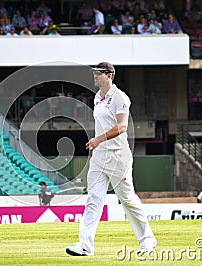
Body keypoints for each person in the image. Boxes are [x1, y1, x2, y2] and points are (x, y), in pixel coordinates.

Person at [66, 62, 156, 256]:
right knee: (93, 199)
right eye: (93, 73)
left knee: (127, 200)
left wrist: (98, 139)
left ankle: (147, 240)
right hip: (99, 156)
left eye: (98, 74)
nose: (94, 76)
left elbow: (122, 127)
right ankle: (85, 245)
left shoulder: (120, 97)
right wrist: (98, 143)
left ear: (109, 75)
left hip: (117, 156)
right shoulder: (98, 97)